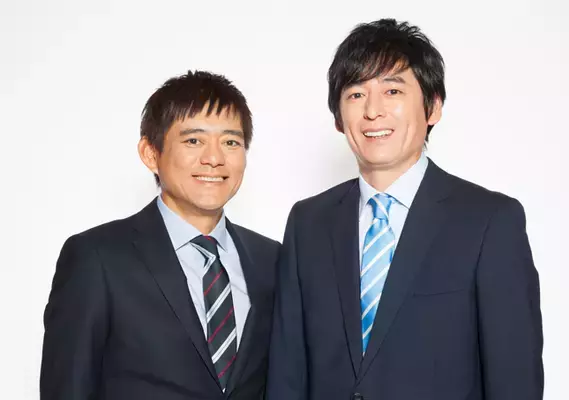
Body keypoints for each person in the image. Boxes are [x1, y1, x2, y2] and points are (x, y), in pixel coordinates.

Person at [267, 19, 543, 400]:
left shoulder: (490, 222)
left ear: (433, 107)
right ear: (338, 119)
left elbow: (514, 383)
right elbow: (287, 377)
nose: (373, 111)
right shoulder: (308, 223)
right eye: (356, 94)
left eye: (392, 90)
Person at [41, 71, 280, 400]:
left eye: (231, 142)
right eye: (193, 141)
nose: (214, 158)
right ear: (151, 153)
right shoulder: (96, 258)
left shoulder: (272, 260)